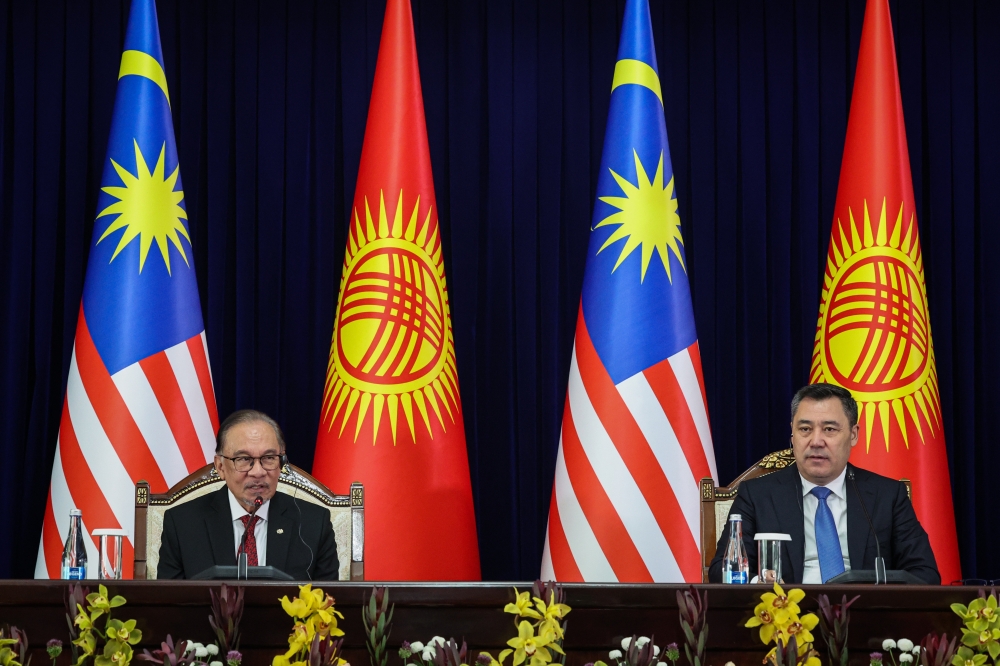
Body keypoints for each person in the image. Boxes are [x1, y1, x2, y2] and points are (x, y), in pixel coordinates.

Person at [708, 383, 939, 584]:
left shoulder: (887, 496)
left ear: (853, 434)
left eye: (829, 429)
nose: (816, 441)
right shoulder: (757, 495)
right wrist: (760, 582)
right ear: (792, 434)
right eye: (805, 429)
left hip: (864, 620)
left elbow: (925, 574)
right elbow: (720, 572)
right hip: (785, 619)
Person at [157, 409, 340, 580]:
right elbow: (170, 604)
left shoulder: (314, 523)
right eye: (244, 459)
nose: (258, 472)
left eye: (268, 458)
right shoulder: (182, 523)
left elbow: (328, 604)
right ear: (220, 467)